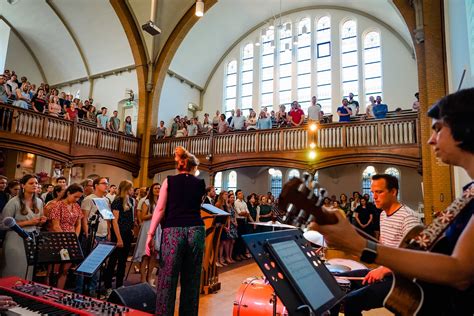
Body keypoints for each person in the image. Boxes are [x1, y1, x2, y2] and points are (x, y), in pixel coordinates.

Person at [315, 88, 474, 314]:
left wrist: (360, 246)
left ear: (464, 128)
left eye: (438, 129)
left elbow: (461, 272)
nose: (430, 140)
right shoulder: (469, 192)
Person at [145, 146, 206, 315]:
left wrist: (150, 234)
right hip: (196, 230)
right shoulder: (200, 183)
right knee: (191, 280)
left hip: (173, 231)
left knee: (167, 280)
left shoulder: (169, 181)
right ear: (193, 168)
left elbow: (160, 209)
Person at [0, 174, 46, 280]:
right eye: (31, 183)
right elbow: (3, 224)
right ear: (23, 185)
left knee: (28, 270)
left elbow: (37, 223)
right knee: (14, 269)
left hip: (32, 238)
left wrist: (41, 222)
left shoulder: (39, 202)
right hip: (15, 237)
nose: (34, 185)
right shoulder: (13, 202)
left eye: (36, 183)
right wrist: (28, 222)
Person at [48, 184, 83, 289]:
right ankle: (47, 293)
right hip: (59, 239)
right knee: (53, 271)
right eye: (75, 196)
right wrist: (65, 238)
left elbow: (78, 224)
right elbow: (55, 225)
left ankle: (59, 293)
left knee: (64, 271)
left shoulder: (76, 206)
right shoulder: (58, 205)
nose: (77, 199)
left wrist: (74, 237)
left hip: (71, 241)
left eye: (79, 197)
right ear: (68, 193)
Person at [133, 183, 162, 285]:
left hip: (157, 227)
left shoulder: (160, 201)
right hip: (148, 227)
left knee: (154, 254)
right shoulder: (146, 201)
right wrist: (155, 214)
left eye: (159, 188)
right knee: (146, 254)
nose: (157, 190)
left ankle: (149, 277)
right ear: (151, 190)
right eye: (155, 188)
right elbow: (143, 216)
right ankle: (143, 278)